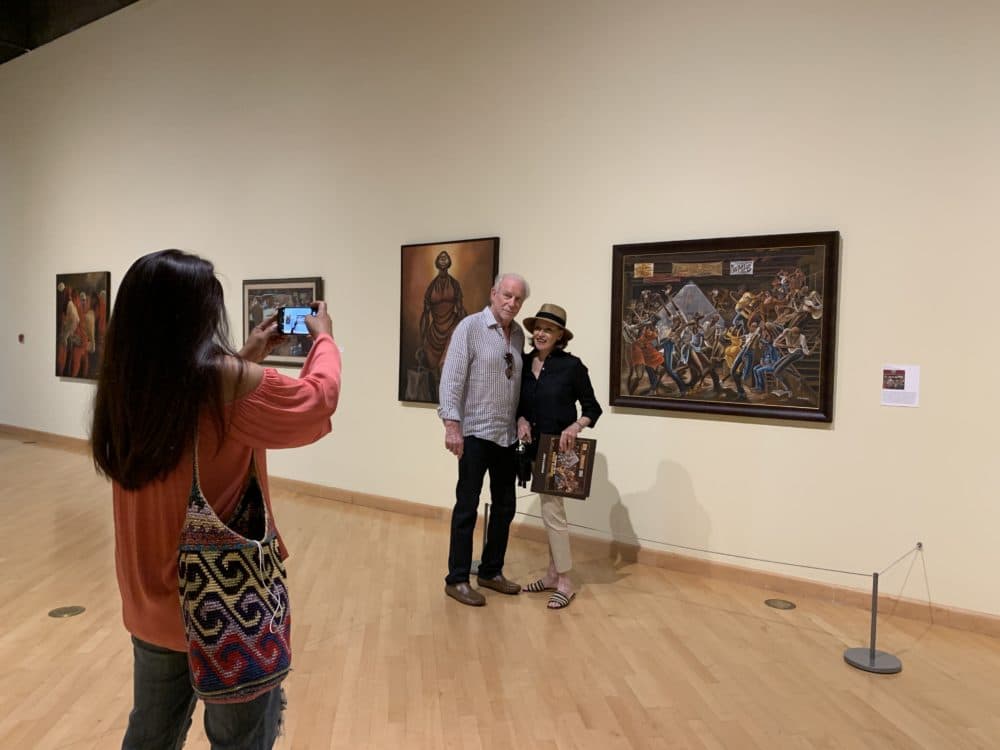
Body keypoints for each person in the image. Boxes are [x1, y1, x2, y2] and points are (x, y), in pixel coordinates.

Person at [90, 249, 341, 749]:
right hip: (223, 605)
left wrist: (246, 355)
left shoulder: (127, 384)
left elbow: (197, 412)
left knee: (151, 732)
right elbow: (318, 400)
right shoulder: (222, 381)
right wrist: (325, 338)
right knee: (240, 739)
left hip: (150, 601)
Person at [438, 272, 529, 606]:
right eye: (507, 296)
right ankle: (457, 578)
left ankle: (491, 571)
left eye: (518, 299)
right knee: (467, 507)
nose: (512, 303)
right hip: (475, 432)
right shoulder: (470, 327)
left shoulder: (518, 335)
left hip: (505, 435)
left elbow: (518, 385)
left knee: (505, 507)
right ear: (493, 293)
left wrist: (521, 417)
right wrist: (451, 425)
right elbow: (451, 379)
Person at [516, 304, 602, 609]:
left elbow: (593, 408)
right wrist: (520, 419)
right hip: (530, 449)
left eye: (548, 329)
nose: (541, 333)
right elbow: (518, 404)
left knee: (554, 514)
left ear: (560, 336)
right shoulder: (523, 364)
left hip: (558, 451)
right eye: (538, 327)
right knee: (548, 514)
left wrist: (575, 426)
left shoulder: (572, 367)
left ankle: (565, 580)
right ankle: (553, 574)